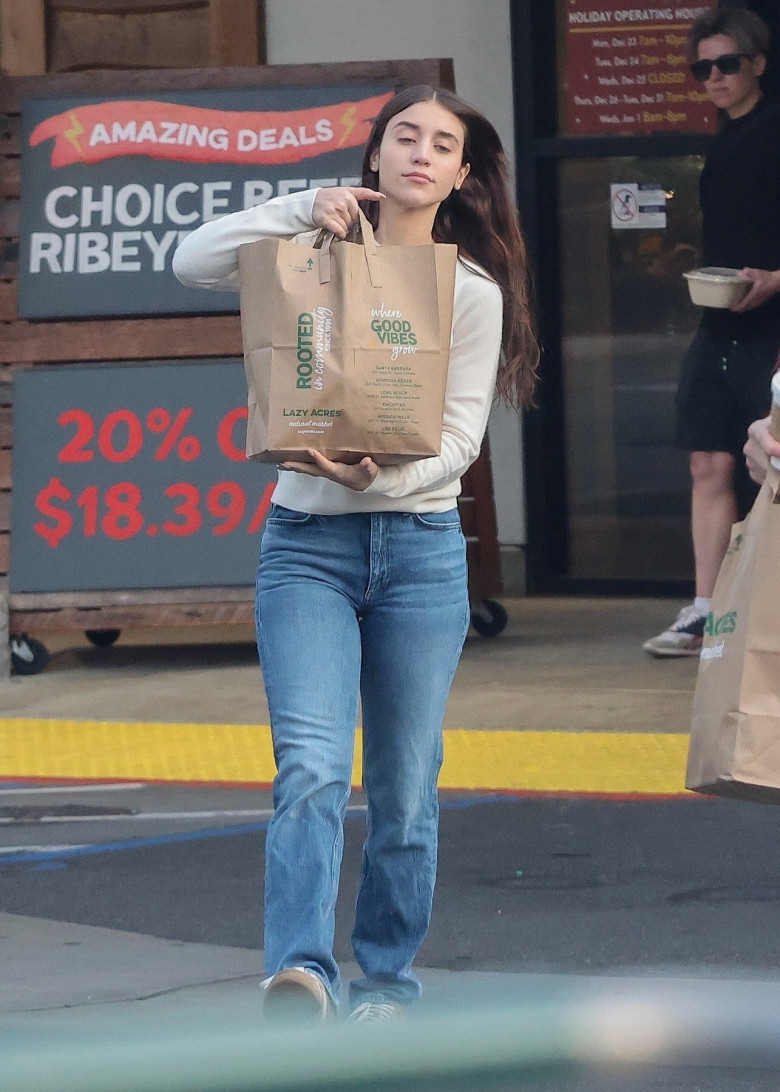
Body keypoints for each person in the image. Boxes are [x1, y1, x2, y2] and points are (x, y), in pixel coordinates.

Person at [172, 85, 539, 1024]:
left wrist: (379, 476)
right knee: (311, 766)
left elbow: (461, 439)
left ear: (461, 176)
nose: (420, 152)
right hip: (306, 547)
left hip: (420, 550)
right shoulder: (313, 249)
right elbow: (190, 259)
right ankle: (299, 973)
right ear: (374, 158)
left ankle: (387, 983)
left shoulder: (472, 292)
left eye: (442, 143)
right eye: (403, 136)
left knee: (406, 788)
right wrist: (304, 204)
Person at [643, 7, 780, 658]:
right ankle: (707, 608)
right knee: (707, 459)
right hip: (721, 319)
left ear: (758, 62)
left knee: (772, 467)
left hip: (774, 324)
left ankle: (761, 612)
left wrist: (775, 278)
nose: (715, 78)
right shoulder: (723, 138)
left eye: (727, 63)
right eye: (703, 69)